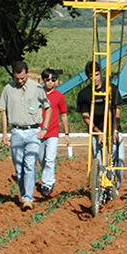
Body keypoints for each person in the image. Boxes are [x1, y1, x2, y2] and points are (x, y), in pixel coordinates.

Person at [0, 61, 52, 211]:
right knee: (19, 167)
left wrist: (44, 129)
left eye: (22, 78)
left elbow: (48, 108)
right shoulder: (8, 89)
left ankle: (27, 198)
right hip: (16, 132)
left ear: (27, 73)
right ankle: (24, 194)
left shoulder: (36, 88)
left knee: (29, 164)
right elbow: (3, 111)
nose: (20, 81)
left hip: (33, 131)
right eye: (17, 79)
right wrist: (4, 133)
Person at [76, 61, 125, 194]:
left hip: (112, 130)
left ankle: (115, 188)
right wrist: (98, 132)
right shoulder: (84, 94)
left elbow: (117, 109)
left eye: (97, 74)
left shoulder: (111, 89)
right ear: (88, 77)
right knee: (98, 160)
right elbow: (85, 115)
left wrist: (115, 129)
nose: (95, 78)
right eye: (92, 76)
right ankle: (100, 190)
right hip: (96, 132)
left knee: (118, 160)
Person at [38, 68, 70, 197]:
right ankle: (46, 178)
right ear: (43, 80)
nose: (50, 82)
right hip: (39, 131)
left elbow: (63, 115)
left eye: (53, 80)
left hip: (53, 132)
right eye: (47, 80)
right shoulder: (38, 94)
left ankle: (47, 183)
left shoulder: (59, 96)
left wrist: (66, 133)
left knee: (49, 159)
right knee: (41, 159)